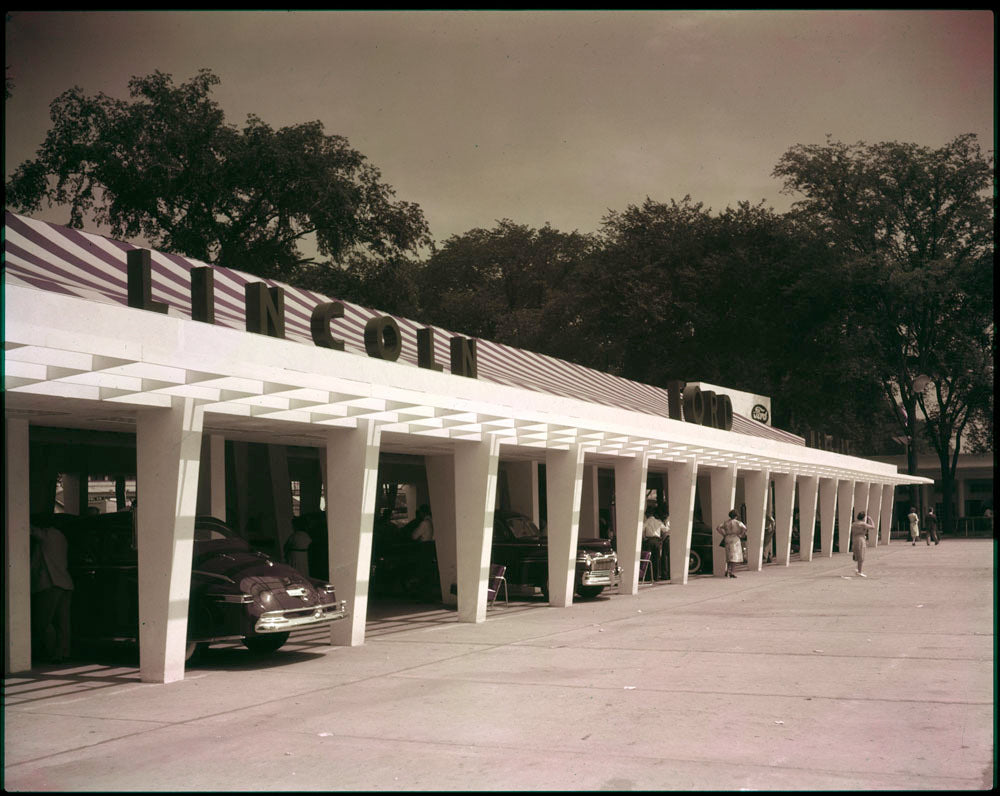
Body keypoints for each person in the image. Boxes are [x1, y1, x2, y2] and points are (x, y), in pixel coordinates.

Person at [30, 518, 74, 663]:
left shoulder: (49, 535)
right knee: (63, 622)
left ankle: (50, 653)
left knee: (43, 622)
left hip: (50, 584)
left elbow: (31, 531)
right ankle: (64, 652)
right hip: (66, 583)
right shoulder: (63, 539)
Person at [716, 509, 747, 579]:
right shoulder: (738, 522)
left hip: (727, 538)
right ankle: (732, 572)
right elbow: (745, 528)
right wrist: (741, 534)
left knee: (729, 556)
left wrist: (723, 534)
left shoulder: (726, 522)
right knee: (734, 557)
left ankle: (727, 570)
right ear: (736, 516)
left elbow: (718, 527)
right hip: (735, 538)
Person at [642, 506, 666, 580]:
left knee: (649, 559)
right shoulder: (658, 521)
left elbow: (641, 531)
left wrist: (644, 538)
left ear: (647, 514)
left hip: (649, 541)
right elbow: (666, 530)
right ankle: (656, 576)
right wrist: (662, 539)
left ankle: (649, 576)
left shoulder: (646, 522)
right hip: (657, 541)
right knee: (657, 559)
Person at [850, 511, 875, 577]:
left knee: (857, 555)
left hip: (855, 539)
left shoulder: (854, 524)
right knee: (861, 556)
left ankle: (858, 569)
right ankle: (859, 571)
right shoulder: (863, 524)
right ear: (863, 517)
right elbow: (873, 527)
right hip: (861, 539)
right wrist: (870, 519)